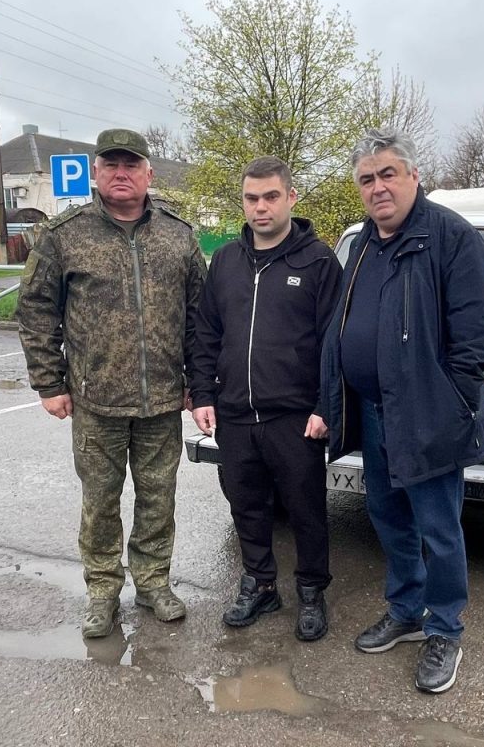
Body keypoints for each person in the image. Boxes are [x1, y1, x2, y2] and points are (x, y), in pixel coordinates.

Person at [319, 127, 484, 692]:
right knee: (388, 516)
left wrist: (450, 401)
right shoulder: (363, 244)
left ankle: (444, 628)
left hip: (428, 414)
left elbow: (476, 337)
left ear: (414, 176)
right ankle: (406, 611)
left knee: (439, 529)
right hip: (375, 411)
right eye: (367, 179)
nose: (378, 187)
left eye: (388, 174)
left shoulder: (451, 237)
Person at [16, 128, 206, 638]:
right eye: (112, 165)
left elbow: (199, 318)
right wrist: (48, 382)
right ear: (96, 173)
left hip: (162, 400)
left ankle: (153, 582)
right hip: (95, 400)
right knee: (100, 501)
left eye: (131, 165)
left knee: (158, 498)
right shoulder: (64, 235)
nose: (122, 174)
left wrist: (199, 383)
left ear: (148, 174)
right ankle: (102, 591)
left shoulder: (178, 236)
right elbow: (36, 311)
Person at [189, 156, 342, 641]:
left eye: (271, 197)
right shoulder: (226, 261)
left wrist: (325, 406)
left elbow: (335, 342)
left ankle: (312, 590)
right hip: (235, 413)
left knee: (305, 509)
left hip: (295, 418)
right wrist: (202, 393)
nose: (261, 207)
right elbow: (206, 332)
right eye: (251, 198)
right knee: (246, 504)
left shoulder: (318, 261)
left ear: (290, 198)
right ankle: (259, 584)